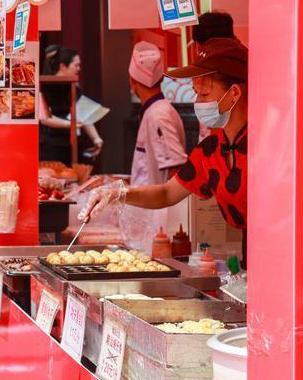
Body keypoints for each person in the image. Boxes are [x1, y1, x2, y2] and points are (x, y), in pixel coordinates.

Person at [82, 38, 248, 246]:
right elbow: (167, 192)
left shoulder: (264, 146)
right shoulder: (211, 150)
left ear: (234, 93)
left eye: (204, 94)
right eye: (196, 94)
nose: (198, 104)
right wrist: (118, 193)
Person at [128, 41, 187, 186]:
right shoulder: (157, 110)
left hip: (156, 208)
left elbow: (176, 166)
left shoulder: (157, 115)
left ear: (132, 80)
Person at [38, 46, 105, 164]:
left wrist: (96, 138)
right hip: (51, 146)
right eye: (76, 65)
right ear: (63, 66)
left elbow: (83, 115)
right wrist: (70, 124)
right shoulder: (45, 85)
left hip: (73, 145)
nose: (79, 69)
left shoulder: (74, 86)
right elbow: (44, 118)